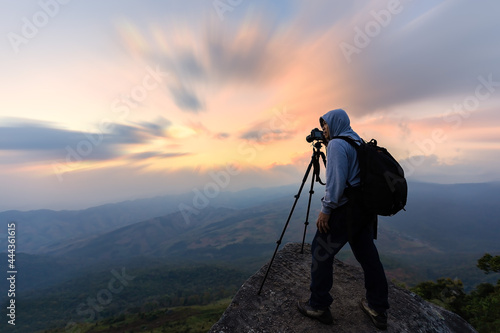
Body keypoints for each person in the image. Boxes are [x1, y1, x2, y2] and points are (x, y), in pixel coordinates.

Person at [297, 109, 389, 329]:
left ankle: (318, 305)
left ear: (335, 123)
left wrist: (326, 209)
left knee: (320, 251)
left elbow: (336, 183)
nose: (324, 130)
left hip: (346, 209)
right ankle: (377, 308)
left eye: (326, 125)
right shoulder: (355, 139)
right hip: (364, 209)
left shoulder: (338, 144)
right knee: (368, 257)